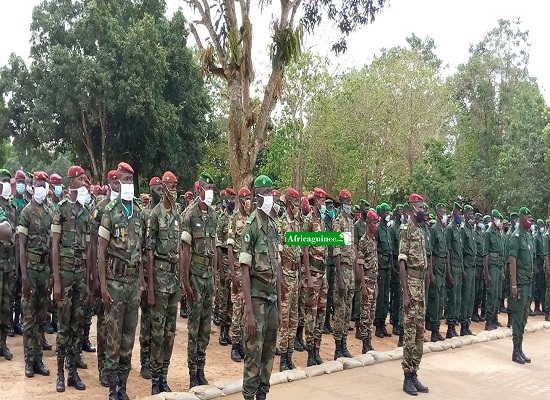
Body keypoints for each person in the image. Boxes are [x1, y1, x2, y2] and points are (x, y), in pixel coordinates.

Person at [98, 162, 143, 400]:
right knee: (113, 339)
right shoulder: (110, 212)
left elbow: (143, 252)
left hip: (133, 285)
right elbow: (101, 251)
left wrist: (143, 283)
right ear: (117, 181)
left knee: (128, 339)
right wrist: (103, 287)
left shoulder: (139, 212)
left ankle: (123, 386)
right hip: (115, 284)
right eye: (123, 180)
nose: (127, 184)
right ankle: (112, 390)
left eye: (129, 181)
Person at [240, 174, 282, 400]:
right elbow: (245, 270)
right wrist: (248, 311)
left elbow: (276, 266)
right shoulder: (251, 227)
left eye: (271, 192)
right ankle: (249, 396)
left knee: (268, 354)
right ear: (257, 197)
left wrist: (281, 307)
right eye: (266, 193)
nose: (270, 197)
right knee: (253, 355)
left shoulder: (274, 226)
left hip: (272, 300)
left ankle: (262, 395)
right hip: (256, 299)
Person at [51, 165, 90, 392]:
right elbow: (54, 245)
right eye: (82, 180)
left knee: (76, 326)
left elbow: (87, 248)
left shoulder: (85, 212)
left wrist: (86, 280)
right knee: (64, 326)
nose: (85, 183)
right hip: (64, 276)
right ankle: (59, 373)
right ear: (72, 181)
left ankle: (72, 373)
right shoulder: (61, 209)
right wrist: (56, 281)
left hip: (79, 276)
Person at [146, 171, 182, 394]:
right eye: (171, 185)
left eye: (176, 185)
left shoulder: (177, 214)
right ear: (163, 186)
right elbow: (149, 252)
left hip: (174, 278)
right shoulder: (155, 215)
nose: (174, 189)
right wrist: (150, 286)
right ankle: (154, 379)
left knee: (170, 332)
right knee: (157, 332)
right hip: (159, 279)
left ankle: (164, 376)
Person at [182, 172, 217, 388]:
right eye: (207, 188)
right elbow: (185, 251)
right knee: (194, 327)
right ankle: (192, 372)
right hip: (194, 276)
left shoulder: (213, 215)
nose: (210, 192)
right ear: (199, 190)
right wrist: (185, 282)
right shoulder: (189, 215)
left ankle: (201, 368)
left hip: (209, 278)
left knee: (205, 326)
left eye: (212, 188)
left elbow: (214, 249)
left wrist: (215, 276)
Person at [18, 171, 52, 377]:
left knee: (41, 317)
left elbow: (51, 246)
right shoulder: (26, 212)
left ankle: (39, 359)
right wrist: (23, 276)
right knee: (29, 319)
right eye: (38, 184)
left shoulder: (49, 212)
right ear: (33, 187)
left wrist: (49, 276)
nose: (41, 188)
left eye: (44, 184)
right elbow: (21, 246)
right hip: (30, 268)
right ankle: (29, 361)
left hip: (44, 271)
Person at [89, 169, 120, 387]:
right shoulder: (99, 210)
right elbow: (93, 245)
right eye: (116, 181)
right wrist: (94, 276)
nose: (119, 185)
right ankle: (103, 367)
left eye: (123, 181)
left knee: (118, 325)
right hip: (104, 274)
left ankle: (115, 365)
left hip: (121, 278)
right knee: (103, 323)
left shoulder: (125, 209)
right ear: (109, 183)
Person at [399, 194, 429, 395]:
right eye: (419, 207)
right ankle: (407, 377)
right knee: (410, 334)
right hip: (411, 283)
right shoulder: (406, 230)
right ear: (412, 209)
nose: (423, 211)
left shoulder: (421, 229)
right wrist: (406, 293)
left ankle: (415, 372)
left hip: (421, 284)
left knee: (419, 333)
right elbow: (401, 262)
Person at [138, 176, 162, 380]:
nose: (160, 191)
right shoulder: (144, 214)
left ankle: (156, 360)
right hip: (146, 274)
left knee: (158, 322)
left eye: (161, 187)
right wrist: (142, 280)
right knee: (146, 320)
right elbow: (140, 250)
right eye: (156, 188)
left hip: (161, 276)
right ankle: (144, 360)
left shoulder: (163, 214)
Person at [302, 188, 328, 365]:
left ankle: (317, 348)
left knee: (321, 312)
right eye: (321, 200)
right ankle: (310, 352)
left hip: (323, 274)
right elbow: (303, 248)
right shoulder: (308, 221)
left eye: (325, 200)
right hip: (312, 272)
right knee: (310, 313)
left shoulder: (323, 222)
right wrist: (309, 277)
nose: (324, 203)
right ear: (315, 201)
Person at [277, 188, 301, 371]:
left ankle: (289, 356)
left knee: (294, 318)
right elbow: (278, 256)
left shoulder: (298, 224)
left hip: (296, 275)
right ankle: (282, 358)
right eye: (295, 200)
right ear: (288, 201)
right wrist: (281, 281)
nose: (297, 204)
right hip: (285, 275)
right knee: (284, 320)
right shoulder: (281, 223)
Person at [228, 187, 252, 362]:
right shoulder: (233, 219)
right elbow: (229, 248)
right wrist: (233, 275)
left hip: (248, 271)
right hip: (237, 269)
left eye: (250, 197)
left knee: (246, 310)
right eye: (245, 197)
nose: (248, 200)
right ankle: (235, 345)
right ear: (239, 199)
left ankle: (243, 343)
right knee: (237, 310)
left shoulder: (252, 220)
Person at [332, 189, 356, 360]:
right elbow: (337, 250)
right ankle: (337, 346)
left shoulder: (350, 222)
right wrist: (339, 277)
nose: (349, 204)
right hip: (342, 270)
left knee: (348, 309)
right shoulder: (338, 221)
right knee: (340, 310)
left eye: (350, 201)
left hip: (351, 271)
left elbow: (352, 248)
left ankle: (345, 343)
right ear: (341, 202)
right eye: (346, 202)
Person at [508, 207, 534, 364]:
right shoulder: (515, 237)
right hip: (520, 283)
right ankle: (515, 351)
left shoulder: (528, 236)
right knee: (518, 317)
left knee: (524, 316)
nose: (529, 221)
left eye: (530, 218)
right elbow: (513, 261)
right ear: (521, 218)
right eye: (527, 218)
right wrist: (513, 285)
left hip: (528, 282)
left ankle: (520, 348)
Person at [216, 187, 236, 346]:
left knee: (231, 300)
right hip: (223, 259)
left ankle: (228, 330)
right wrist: (220, 271)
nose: (232, 202)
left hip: (233, 263)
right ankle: (222, 331)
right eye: (230, 199)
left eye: (234, 199)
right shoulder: (221, 218)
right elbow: (217, 245)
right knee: (223, 299)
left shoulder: (235, 219)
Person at [357, 208, 379, 353]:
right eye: (374, 222)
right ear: (369, 222)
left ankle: (369, 340)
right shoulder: (363, 241)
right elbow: (360, 264)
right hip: (366, 281)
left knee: (371, 314)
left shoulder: (373, 241)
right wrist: (363, 286)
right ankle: (364, 342)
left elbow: (375, 264)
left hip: (373, 280)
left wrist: (376, 284)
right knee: (365, 314)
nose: (376, 225)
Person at [426, 203, 448, 342]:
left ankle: (437, 329)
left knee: (441, 300)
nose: (444, 214)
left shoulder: (443, 229)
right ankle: (433, 329)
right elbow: (430, 254)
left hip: (443, 266)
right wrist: (431, 272)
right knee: (435, 300)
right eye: (442, 212)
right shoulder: (434, 230)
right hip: (436, 267)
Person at [445, 202, 463, 338]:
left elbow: (460, 252)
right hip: (452, 267)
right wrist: (449, 271)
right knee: (452, 297)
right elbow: (448, 252)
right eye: (459, 214)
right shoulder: (450, 229)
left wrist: (462, 269)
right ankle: (450, 327)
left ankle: (455, 321)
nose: (460, 216)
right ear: (453, 214)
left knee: (457, 297)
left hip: (458, 266)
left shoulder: (458, 229)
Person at [374, 202, 393, 339]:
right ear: (380, 214)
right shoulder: (377, 229)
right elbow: (374, 250)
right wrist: (376, 269)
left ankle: (383, 323)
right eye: (385, 212)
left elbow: (390, 250)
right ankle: (378, 325)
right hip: (380, 265)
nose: (388, 215)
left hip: (387, 265)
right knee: (380, 297)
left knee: (386, 296)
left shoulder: (387, 229)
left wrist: (391, 266)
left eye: (388, 212)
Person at [484, 209, 504, 330]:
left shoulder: (498, 233)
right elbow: (485, 254)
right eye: (498, 219)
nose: (500, 222)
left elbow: (501, 253)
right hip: (491, 265)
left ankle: (495, 319)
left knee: (497, 293)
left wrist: (502, 270)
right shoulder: (488, 233)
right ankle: (488, 321)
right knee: (491, 294)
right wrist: (487, 274)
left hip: (498, 266)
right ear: (493, 219)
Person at [351, 200, 369, 338]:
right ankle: (357, 323)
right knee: (358, 295)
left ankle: (364, 324)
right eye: (365, 208)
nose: (366, 210)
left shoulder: (368, 225)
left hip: (369, 266)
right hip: (359, 264)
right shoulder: (356, 226)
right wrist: (357, 266)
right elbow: (355, 247)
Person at [459, 205, 477, 336]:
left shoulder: (472, 229)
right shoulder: (463, 230)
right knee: (465, 297)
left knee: (471, 296)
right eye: (470, 214)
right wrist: (463, 270)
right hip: (466, 265)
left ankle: (467, 323)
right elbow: (461, 251)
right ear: (465, 215)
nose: (472, 216)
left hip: (473, 265)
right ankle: (463, 325)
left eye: (472, 214)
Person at [390, 204, 404, 335]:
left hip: (403, 262)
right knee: (396, 295)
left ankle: (400, 321)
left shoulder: (404, 228)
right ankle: (394, 321)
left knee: (401, 295)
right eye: (399, 211)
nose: (401, 213)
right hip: (394, 261)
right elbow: (389, 248)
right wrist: (392, 266)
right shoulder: (393, 228)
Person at [323, 198, 337, 334]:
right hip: (326, 262)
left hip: (333, 262)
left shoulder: (334, 224)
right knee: (324, 293)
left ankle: (327, 321)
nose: (332, 210)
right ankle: (322, 323)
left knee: (331, 294)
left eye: (333, 207)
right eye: (330, 207)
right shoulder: (322, 224)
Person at [472, 213, 486, 323]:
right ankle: (473, 312)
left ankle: (477, 311)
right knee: (475, 289)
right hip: (476, 264)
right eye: (479, 220)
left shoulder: (481, 234)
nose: (480, 222)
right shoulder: (474, 233)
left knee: (480, 290)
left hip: (482, 265)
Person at [533, 219, 545, 315]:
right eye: (540, 225)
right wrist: (536, 266)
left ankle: (542, 307)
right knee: (537, 285)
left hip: (543, 263)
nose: (542, 227)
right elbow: (535, 253)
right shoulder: (536, 237)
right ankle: (536, 307)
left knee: (542, 285)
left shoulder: (543, 237)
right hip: (538, 263)